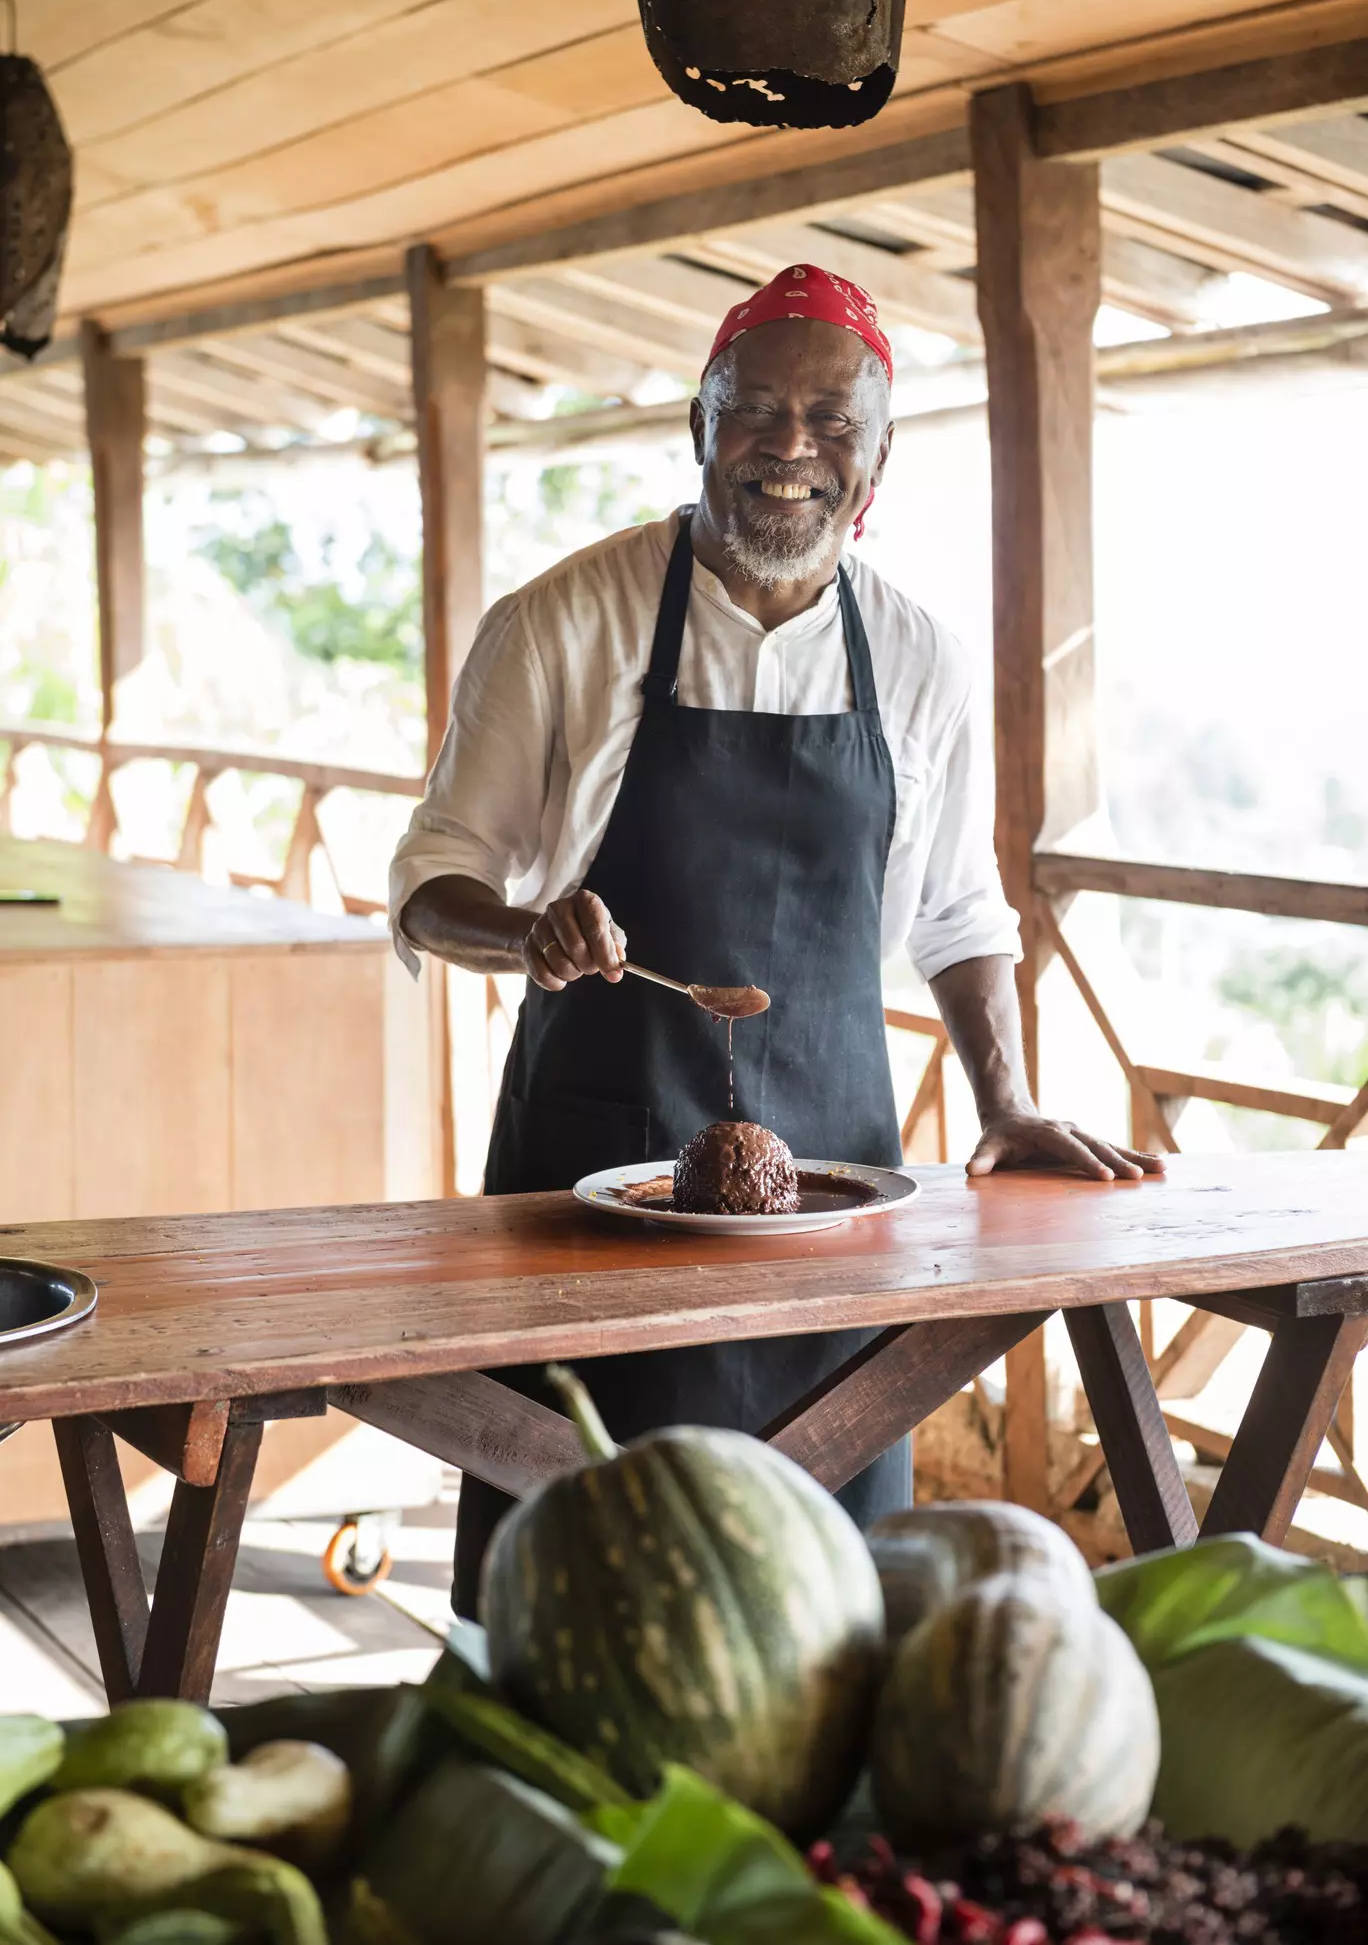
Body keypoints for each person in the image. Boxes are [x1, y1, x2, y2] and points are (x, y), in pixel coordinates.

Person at [390, 263, 1162, 1616]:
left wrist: (1011, 1101)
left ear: (875, 460)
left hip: (833, 1195)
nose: (789, 448)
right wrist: (525, 933)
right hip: (591, 1196)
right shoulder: (565, 620)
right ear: (699, 425)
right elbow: (429, 878)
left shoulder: (916, 657)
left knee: (821, 1604)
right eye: (755, 413)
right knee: (584, 1589)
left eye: (829, 420)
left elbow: (957, 910)